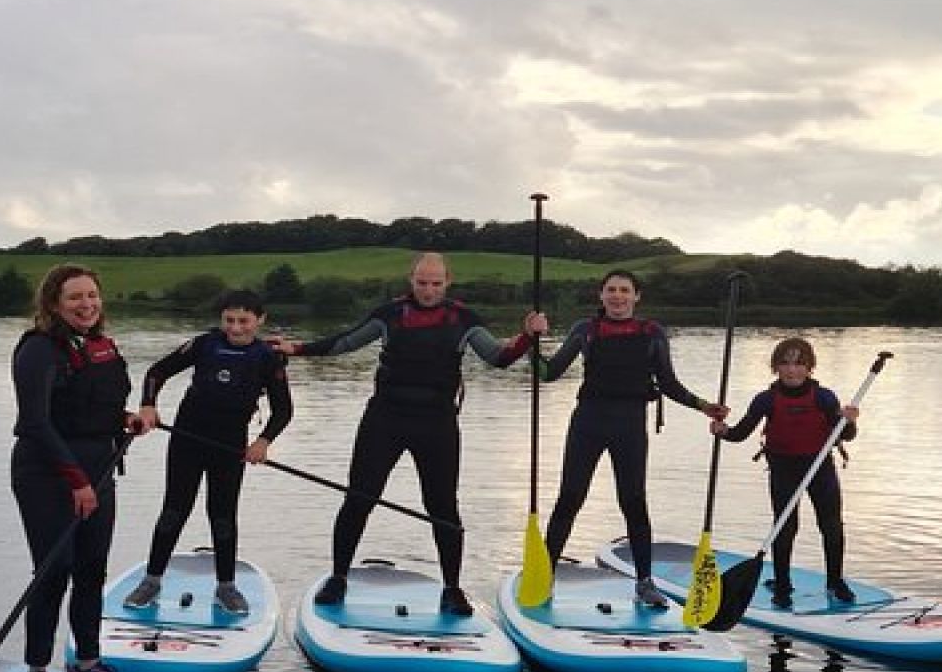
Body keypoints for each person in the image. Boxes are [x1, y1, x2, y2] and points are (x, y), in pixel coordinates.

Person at [269, 253, 539, 616]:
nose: (428, 290)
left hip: (437, 423)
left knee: (442, 508)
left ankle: (452, 589)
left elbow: (499, 359)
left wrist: (527, 337)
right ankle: (337, 578)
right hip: (386, 418)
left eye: (436, 283)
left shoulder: (464, 319)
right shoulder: (389, 315)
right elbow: (344, 343)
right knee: (359, 498)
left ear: (448, 282)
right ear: (411, 281)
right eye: (422, 282)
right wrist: (297, 348)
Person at [532, 270, 728, 608]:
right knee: (570, 498)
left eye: (625, 291)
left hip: (630, 425)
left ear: (637, 297)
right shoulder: (585, 330)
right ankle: (544, 575)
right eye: (611, 290)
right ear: (601, 295)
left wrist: (704, 406)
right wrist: (531, 343)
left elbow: (668, 384)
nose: (618, 296)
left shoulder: (652, 333)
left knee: (634, 502)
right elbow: (549, 374)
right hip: (588, 422)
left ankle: (645, 582)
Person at [9, 264, 146, 672]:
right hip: (46, 473)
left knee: (92, 571)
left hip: (98, 471)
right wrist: (77, 481)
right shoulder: (38, 351)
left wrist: (125, 419)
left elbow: (95, 407)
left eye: (92, 296)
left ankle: (87, 667)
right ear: (53, 304)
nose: (86, 305)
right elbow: (35, 422)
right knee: (53, 573)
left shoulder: (100, 346)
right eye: (75, 298)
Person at [125, 289, 294, 615]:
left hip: (230, 446)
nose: (235, 328)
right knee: (174, 511)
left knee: (223, 516)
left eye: (244, 321)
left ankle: (226, 587)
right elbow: (156, 372)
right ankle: (151, 581)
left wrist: (263, 441)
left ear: (260, 320)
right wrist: (148, 405)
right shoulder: (204, 344)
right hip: (187, 439)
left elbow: (283, 410)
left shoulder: (267, 358)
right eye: (229, 320)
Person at [711, 337, 860, 607]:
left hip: (819, 468)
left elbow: (846, 435)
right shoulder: (766, 400)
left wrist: (849, 421)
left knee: (832, 526)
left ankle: (835, 582)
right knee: (785, 526)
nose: (792, 370)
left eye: (799, 363)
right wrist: (723, 432)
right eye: (786, 363)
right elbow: (740, 433)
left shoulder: (824, 397)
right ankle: (782, 585)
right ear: (776, 367)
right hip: (783, 469)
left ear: (809, 368)